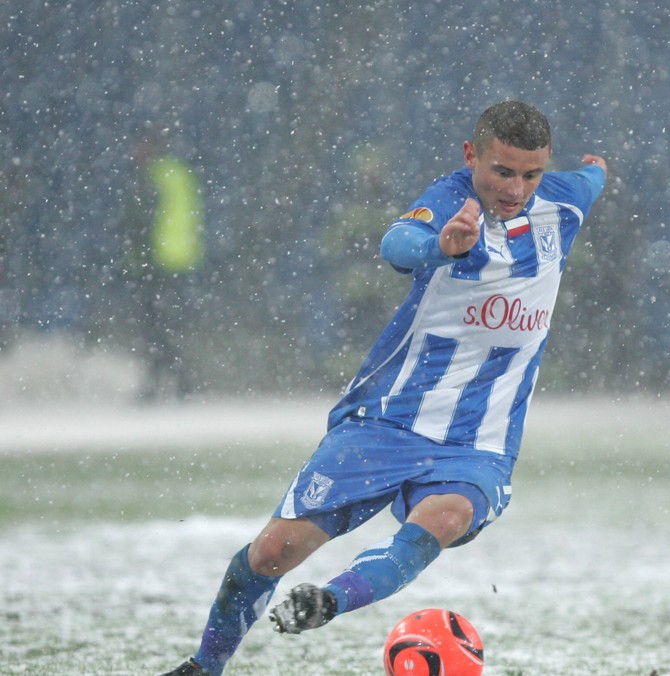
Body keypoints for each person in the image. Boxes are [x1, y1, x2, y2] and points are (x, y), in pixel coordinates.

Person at [160, 101, 607, 676]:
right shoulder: (452, 202)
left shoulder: (567, 198)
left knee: (441, 522)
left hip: (479, 441)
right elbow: (397, 243)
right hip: (387, 419)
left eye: (531, 174)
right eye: (502, 170)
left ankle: (328, 601)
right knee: (272, 553)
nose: (517, 188)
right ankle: (204, 667)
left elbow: (591, 177)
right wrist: (439, 248)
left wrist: (597, 169)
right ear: (472, 156)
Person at [120, 131, 206, 400]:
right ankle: (174, 382)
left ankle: (167, 383)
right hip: (178, 260)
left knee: (155, 329)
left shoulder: (152, 178)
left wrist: (134, 255)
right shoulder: (179, 173)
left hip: (156, 263)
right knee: (165, 328)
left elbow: (140, 222)